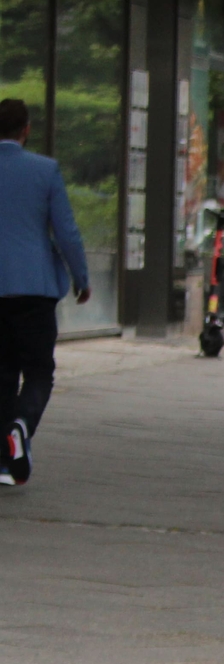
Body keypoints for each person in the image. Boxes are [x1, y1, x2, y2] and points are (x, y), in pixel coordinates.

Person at [0, 97, 90, 488]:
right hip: (34, 289)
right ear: (26, 129)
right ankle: (22, 426)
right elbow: (66, 231)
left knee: (1, 372)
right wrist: (82, 278)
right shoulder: (45, 170)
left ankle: (4, 462)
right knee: (39, 369)